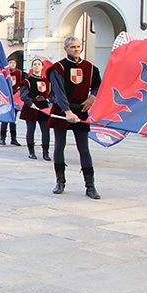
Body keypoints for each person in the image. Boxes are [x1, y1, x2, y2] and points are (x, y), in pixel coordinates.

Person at [47, 36, 101, 199]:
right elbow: (59, 91)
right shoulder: (59, 68)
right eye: (72, 47)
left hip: (81, 110)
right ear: (66, 49)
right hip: (62, 111)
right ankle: (60, 181)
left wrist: (93, 97)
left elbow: (98, 85)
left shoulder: (90, 68)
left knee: (84, 148)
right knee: (59, 146)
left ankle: (90, 185)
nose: (76, 50)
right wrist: (67, 111)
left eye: (78, 47)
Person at [20, 57, 52, 161]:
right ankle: (31, 152)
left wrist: (48, 100)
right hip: (31, 108)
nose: (37, 66)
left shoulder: (47, 81)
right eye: (35, 64)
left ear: (42, 67)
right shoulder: (27, 81)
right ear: (32, 67)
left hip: (43, 107)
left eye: (39, 64)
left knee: (46, 130)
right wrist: (30, 103)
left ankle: (45, 153)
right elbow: (23, 95)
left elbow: (52, 94)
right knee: (31, 130)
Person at [0, 58, 23, 147]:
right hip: (6, 97)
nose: (12, 64)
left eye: (14, 63)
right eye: (10, 63)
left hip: (15, 97)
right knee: (5, 119)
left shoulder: (19, 73)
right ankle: (2, 138)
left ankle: (14, 138)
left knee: (13, 119)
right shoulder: (4, 72)